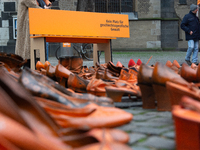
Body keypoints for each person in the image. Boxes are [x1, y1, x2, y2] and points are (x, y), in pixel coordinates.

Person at [15, 0, 51, 68]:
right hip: (30, 30)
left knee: (36, 58)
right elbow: (34, 6)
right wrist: (44, 9)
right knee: (30, 58)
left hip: (37, 30)